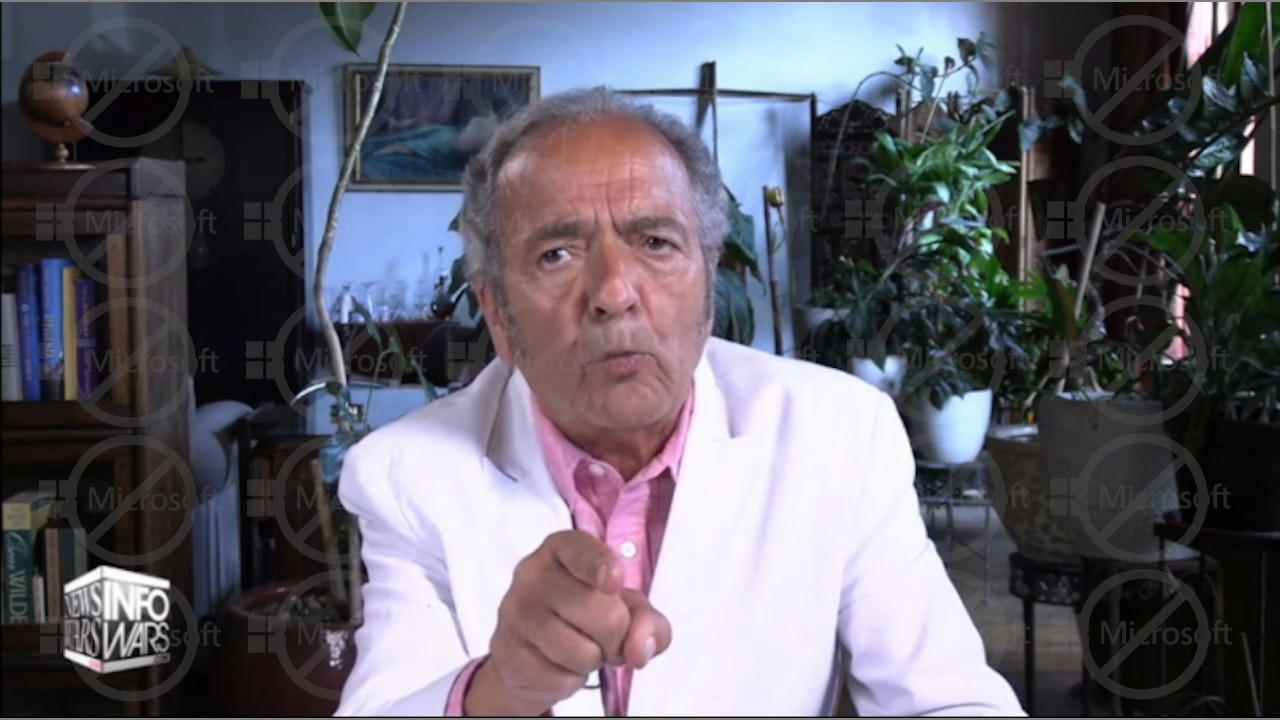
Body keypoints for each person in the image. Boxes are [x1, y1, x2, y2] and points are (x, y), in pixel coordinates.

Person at [335, 86, 1026, 717]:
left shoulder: (840, 435)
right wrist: (501, 692)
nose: (614, 292)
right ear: (497, 314)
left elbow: (949, 700)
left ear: (709, 285)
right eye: (557, 255)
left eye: (656, 242)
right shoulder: (406, 474)